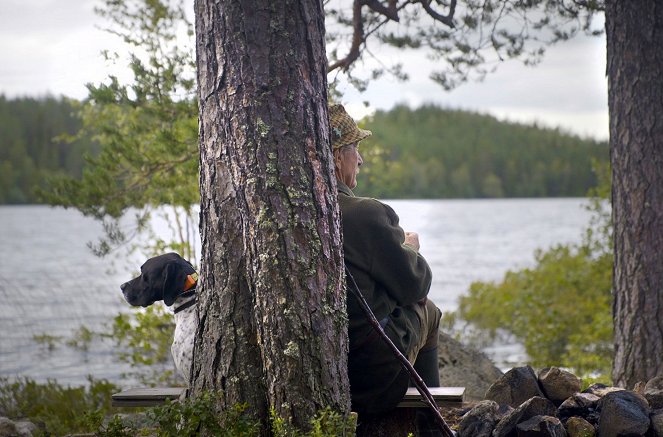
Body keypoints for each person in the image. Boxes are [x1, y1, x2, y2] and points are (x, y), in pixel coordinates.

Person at [329, 104, 442, 416]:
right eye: (356, 149)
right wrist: (411, 248)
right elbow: (415, 285)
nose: (361, 159)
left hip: (314, 369)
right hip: (368, 375)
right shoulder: (365, 213)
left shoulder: (283, 215)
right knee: (428, 310)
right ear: (338, 155)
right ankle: (429, 419)